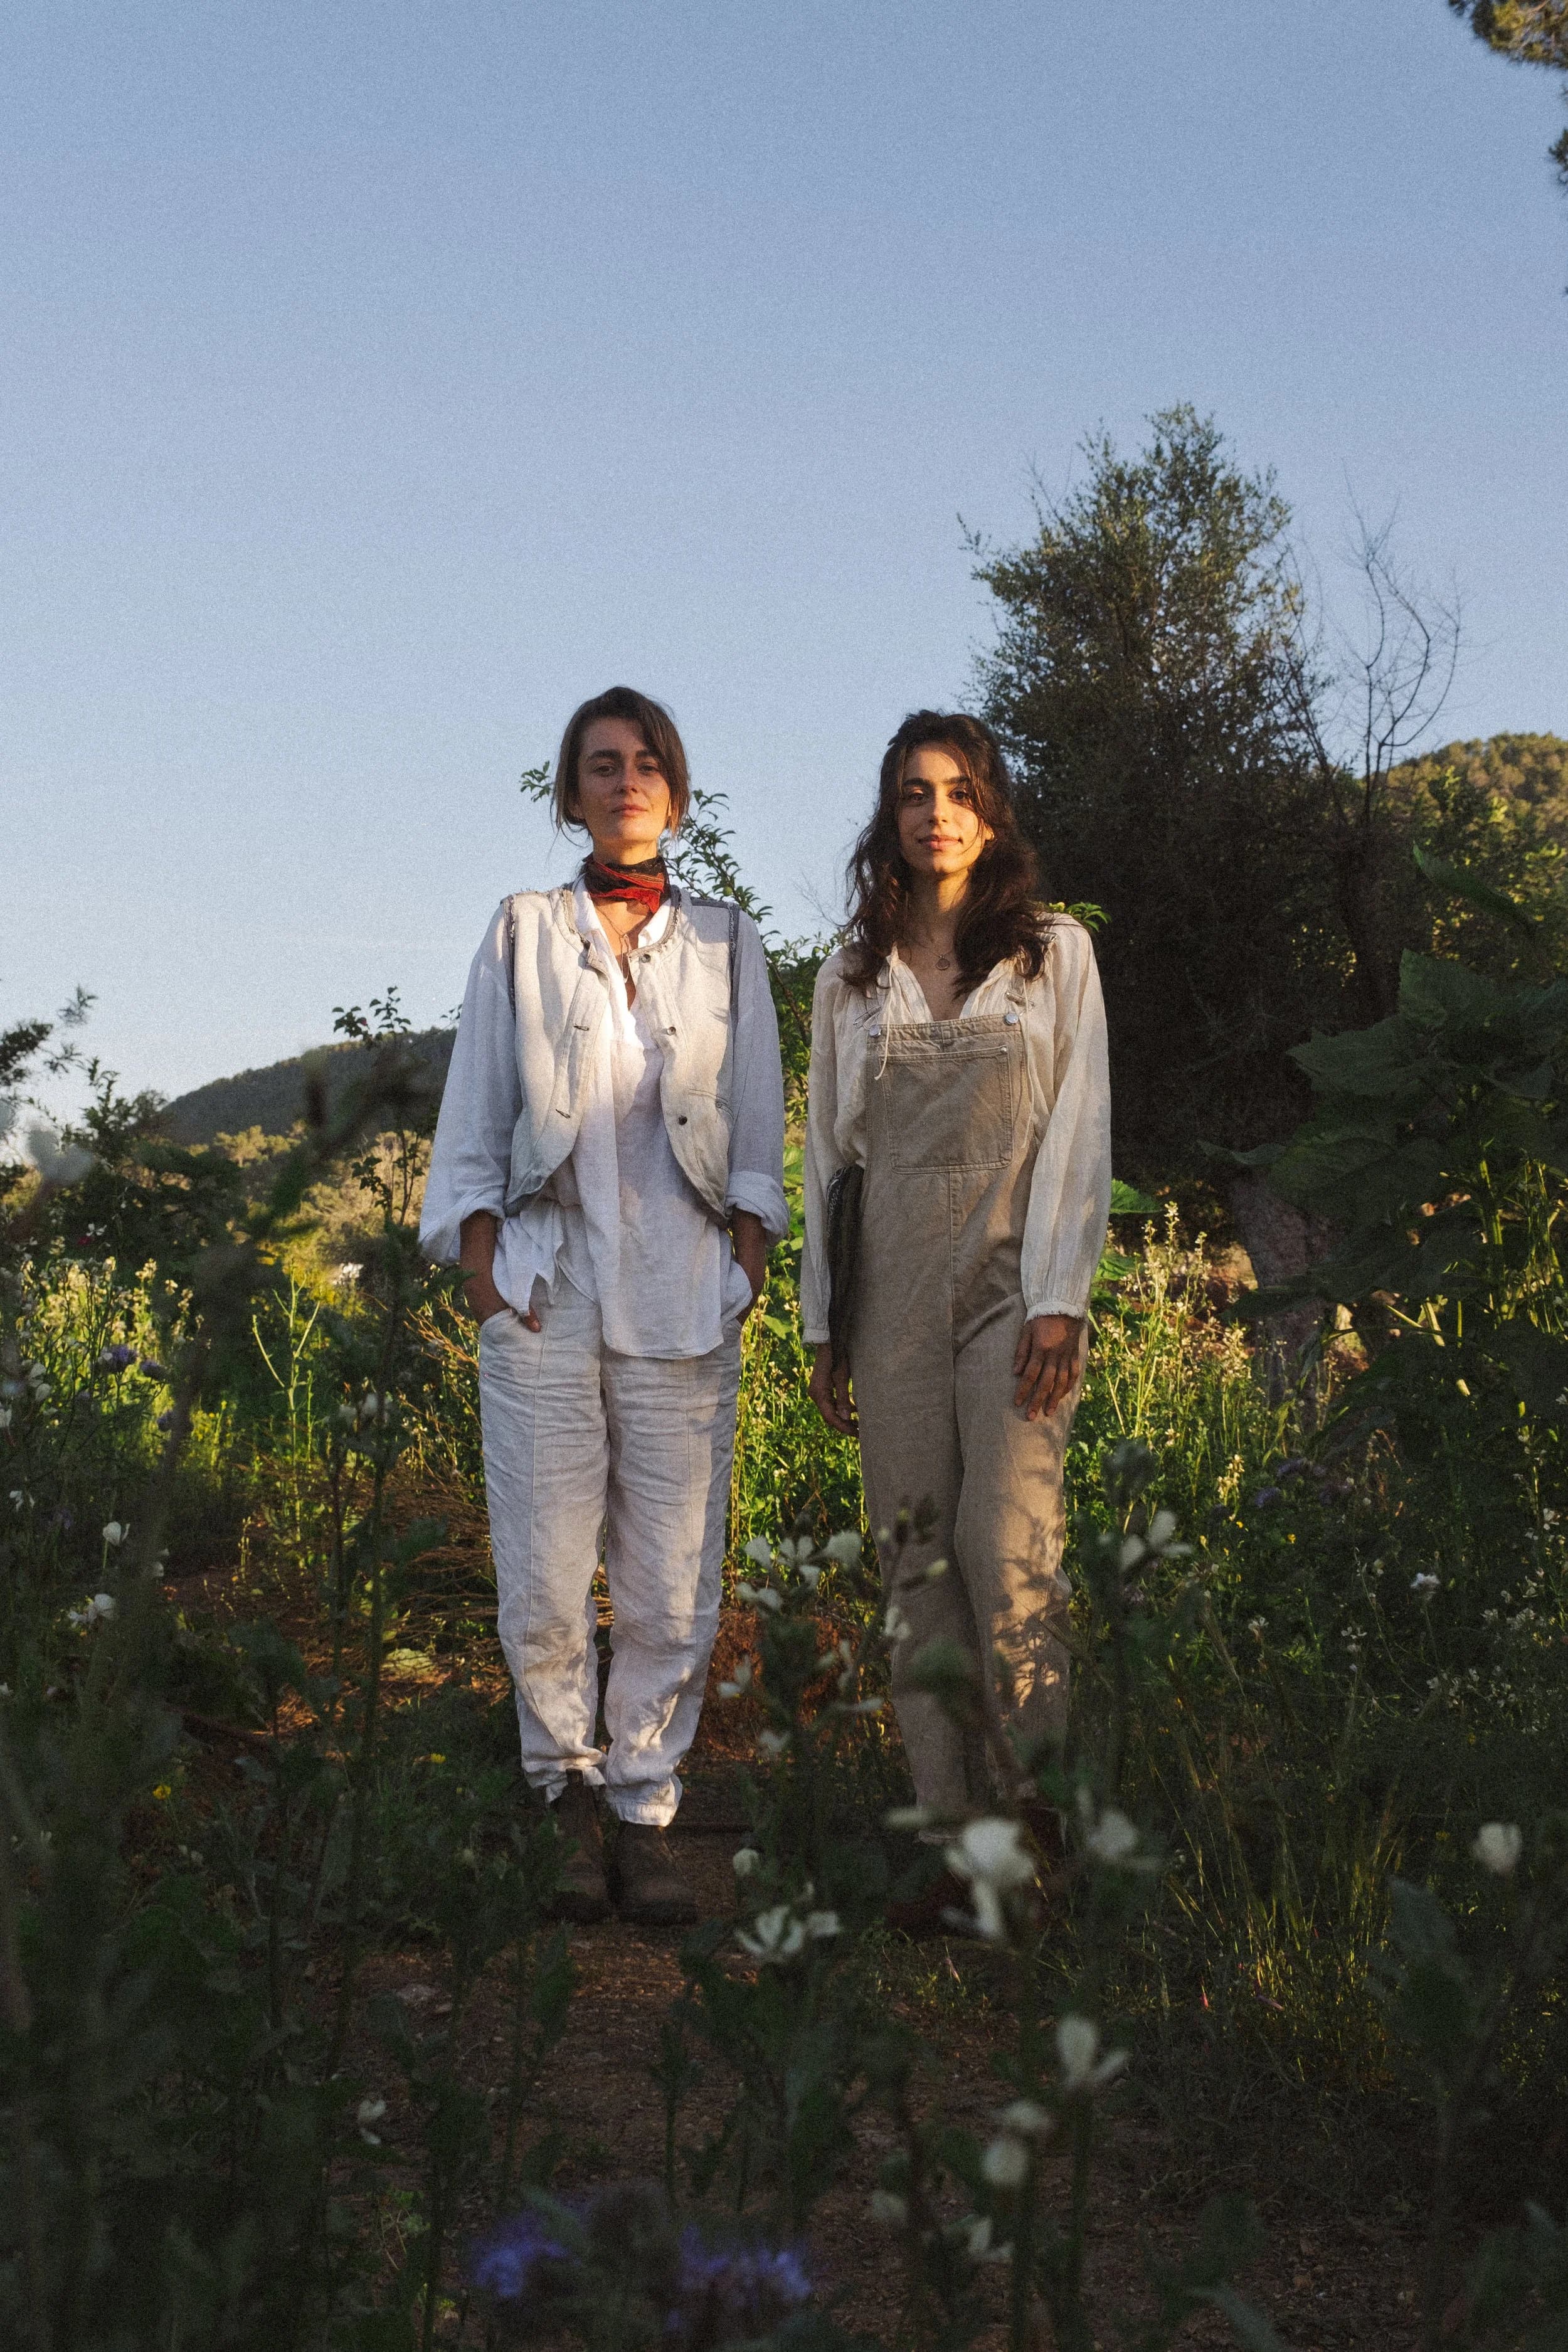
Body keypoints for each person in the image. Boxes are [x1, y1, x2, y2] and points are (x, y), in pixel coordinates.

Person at [421, 687, 787, 1926]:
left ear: (675, 792)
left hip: (684, 1283)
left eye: (646, 763)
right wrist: (482, 1272)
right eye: (601, 763)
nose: (626, 781)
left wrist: (745, 1262)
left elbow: (755, 1119)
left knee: (671, 1568)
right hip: (548, 1281)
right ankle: (565, 1797)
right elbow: (477, 1105)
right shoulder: (526, 930)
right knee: (544, 1557)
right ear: (570, 794)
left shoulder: (726, 941)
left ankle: (644, 1807)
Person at [802, 710, 1110, 1922]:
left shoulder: (1052, 954)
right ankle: (953, 1845)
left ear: (992, 812)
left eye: (960, 791)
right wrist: (825, 1323)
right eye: (915, 793)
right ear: (890, 816)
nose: (938, 814)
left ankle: (1042, 1830)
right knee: (916, 1565)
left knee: (1006, 1550)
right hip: (888, 1291)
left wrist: (1061, 1298)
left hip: (1012, 1290)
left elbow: (1079, 1126)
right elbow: (831, 1158)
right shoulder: (851, 977)